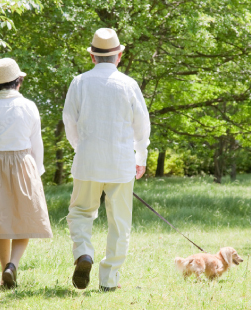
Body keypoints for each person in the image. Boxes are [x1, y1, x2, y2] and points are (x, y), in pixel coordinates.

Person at [63, 28, 151, 291]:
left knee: (80, 212)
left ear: (92, 57)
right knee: (120, 222)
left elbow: (69, 122)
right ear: (119, 56)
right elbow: (142, 126)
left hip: (88, 160)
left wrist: (82, 147)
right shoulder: (129, 84)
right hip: (121, 162)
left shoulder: (79, 82)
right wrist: (141, 156)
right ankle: (109, 279)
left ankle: (83, 253)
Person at [0, 58, 53, 288]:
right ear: (18, 81)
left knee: (1, 220)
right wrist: (38, 171)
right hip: (22, 161)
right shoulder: (29, 106)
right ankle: (13, 265)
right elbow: (35, 142)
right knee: (24, 217)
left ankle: (3, 270)